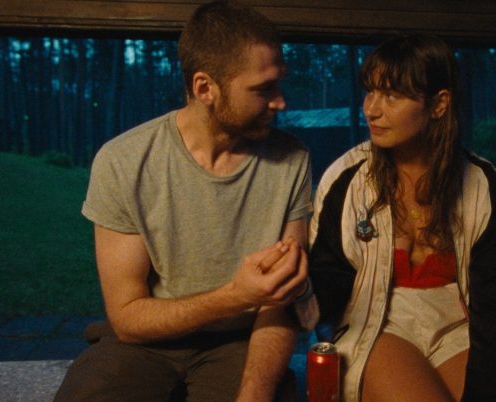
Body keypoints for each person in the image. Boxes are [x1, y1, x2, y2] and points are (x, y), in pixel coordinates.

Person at [55, 2, 318, 401]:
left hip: (243, 340)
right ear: (204, 88)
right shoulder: (123, 161)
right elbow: (127, 318)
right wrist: (237, 295)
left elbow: (280, 303)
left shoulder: (291, 159)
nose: (280, 101)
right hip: (145, 340)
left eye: (278, 84)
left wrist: (253, 394)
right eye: (263, 89)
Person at [307, 34, 496, 402]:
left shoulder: (485, 187)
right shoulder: (347, 180)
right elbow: (327, 287)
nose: (371, 109)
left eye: (391, 96)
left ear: (439, 104)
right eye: (370, 91)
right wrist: (296, 283)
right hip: (379, 323)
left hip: (459, 325)